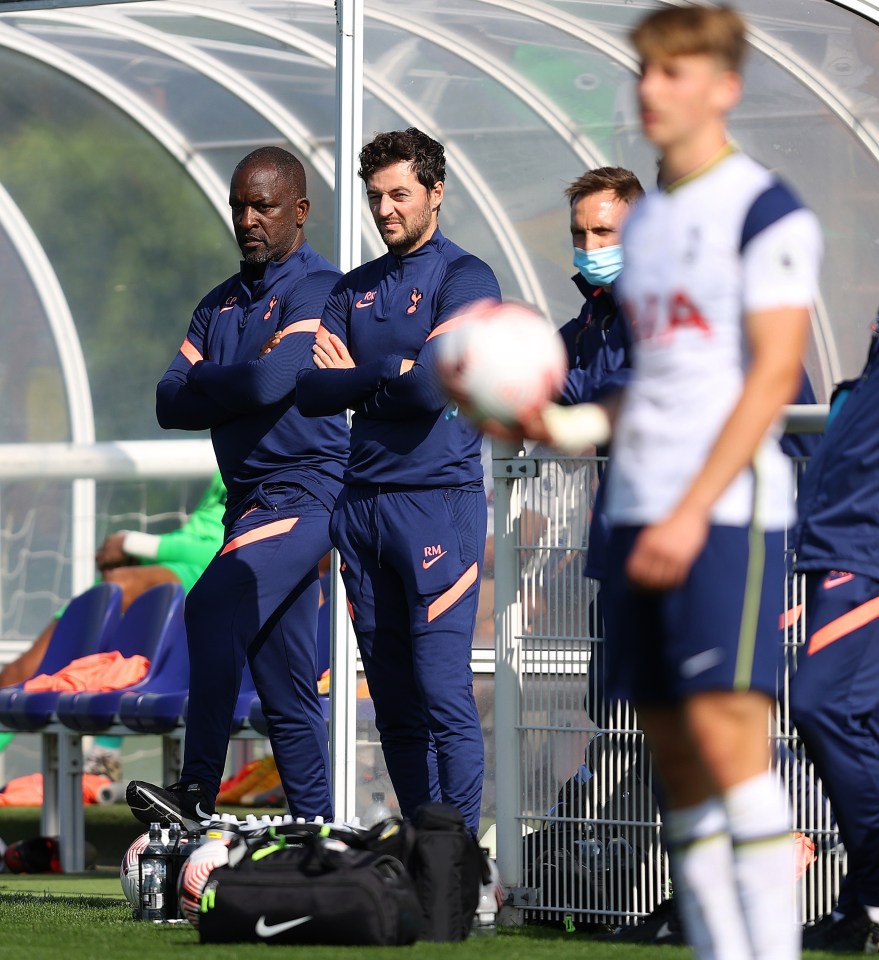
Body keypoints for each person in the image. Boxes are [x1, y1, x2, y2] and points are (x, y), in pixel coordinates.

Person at [481, 7, 823, 958]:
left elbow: (769, 380)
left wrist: (687, 504)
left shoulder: (765, 211)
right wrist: (559, 422)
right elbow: (655, 392)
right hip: (633, 520)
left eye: (672, 72)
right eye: (642, 72)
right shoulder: (660, 226)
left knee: (731, 756)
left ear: (723, 87)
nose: (649, 90)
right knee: (674, 766)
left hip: (719, 520)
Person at [126, 146, 348, 828]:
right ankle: (317, 837)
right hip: (248, 506)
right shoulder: (217, 303)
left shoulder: (319, 287)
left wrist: (213, 380)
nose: (248, 219)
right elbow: (168, 403)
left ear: (300, 212)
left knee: (208, 604)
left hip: (307, 494)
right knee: (285, 690)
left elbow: (270, 383)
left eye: (264, 206)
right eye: (239, 207)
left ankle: (193, 795)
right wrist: (237, 377)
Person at [296, 127, 501, 835]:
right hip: (360, 509)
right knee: (392, 702)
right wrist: (391, 371)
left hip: (436, 508)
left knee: (444, 695)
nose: (384, 209)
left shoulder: (466, 278)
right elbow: (308, 390)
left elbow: (428, 392)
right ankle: (422, 853)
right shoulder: (350, 288)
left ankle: (461, 864)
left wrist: (359, 376)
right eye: (374, 195)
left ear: (435, 193)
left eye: (399, 194)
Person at [790, 310, 879, 953]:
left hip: (864, 555)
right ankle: (860, 906)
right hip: (836, 549)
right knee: (860, 722)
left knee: (820, 705)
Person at [0, 471, 226, 690]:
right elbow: (199, 536)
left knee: (120, 586)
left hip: (216, 573)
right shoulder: (230, 451)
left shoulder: (259, 459)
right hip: (171, 567)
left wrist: (130, 543)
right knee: (15, 673)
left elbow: (232, 545)